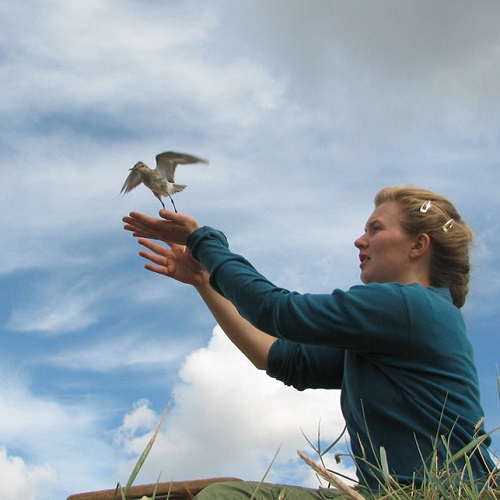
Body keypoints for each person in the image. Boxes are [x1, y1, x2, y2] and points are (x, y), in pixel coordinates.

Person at [122, 185, 496, 497]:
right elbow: (276, 357)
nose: (359, 240)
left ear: (418, 246)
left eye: (375, 229)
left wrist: (202, 240)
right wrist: (205, 282)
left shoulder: (409, 305)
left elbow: (277, 311)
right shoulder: (398, 328)